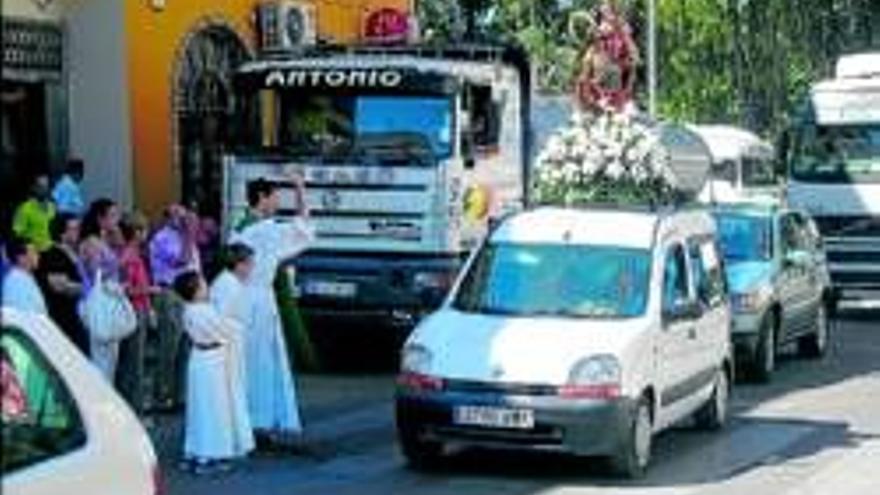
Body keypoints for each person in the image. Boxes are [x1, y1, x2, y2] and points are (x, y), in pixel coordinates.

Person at [231, 174, 314, 443]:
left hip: (241, 299)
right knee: (261, 362)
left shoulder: (240, 226)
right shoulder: (264, 229)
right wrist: (300, 188)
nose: (278, 202)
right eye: (275, 197)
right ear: (262, 198)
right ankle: (260, 422)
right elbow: (303, 229)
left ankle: (247, 420)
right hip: (259, 301)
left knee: (248, 361)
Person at [175, 270, 254, 474]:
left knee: (199, 408)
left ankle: (194, 452)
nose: (206, 287)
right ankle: (209, 456)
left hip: (199, 359)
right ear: (195, 290)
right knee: (213, 409)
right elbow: (225, 329)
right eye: (202, 284)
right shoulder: (204, 311)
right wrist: (238, 325)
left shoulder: (189, 309)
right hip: (211, 361)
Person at [149, 204, 200, 410]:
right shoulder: (163, 238)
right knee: (169, 349)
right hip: (170, 294)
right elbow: (183, 260)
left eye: (185, 215)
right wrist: (189, 233)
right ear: (168, 219)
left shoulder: (185, 237)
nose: (184, 219)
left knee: (185, 349)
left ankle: (180, 396)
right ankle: (161, 396)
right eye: (179, 216)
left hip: (189, 297)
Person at [116, 212, 158, 415]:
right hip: (134, 311)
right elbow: (126, 289)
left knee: (135, 361)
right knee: (134, 362)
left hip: (140, 309)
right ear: (136, 232)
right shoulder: (129, 257)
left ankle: (133, 405)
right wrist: (150, 290)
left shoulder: (132, 254)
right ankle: (135, 409)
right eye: (144, 229)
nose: (147, 233)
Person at [80, 199, 123, 380]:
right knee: (102, 360)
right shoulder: (92, 242)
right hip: (99, 302)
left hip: (110, 301)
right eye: (112, 215)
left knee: (111, 359)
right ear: (100, 218)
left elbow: (121, 244)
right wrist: (113, 273)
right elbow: (94, 273)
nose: (116, 219)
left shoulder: (105, 239)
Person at [36, 214, 90, 356]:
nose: (78, 232)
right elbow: (59, 285)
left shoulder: (72, 252)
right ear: (61, 233)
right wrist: (86, 289)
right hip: (64, 319)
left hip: (76, 316)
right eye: (74, 229)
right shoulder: (53, 255)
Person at [2, 237, 47, 315]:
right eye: (34, 252)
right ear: (21, 258)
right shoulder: (15, 282)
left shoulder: (25, 278)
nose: (38, 256)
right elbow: (26, 316)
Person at [12, 175, 56, 252]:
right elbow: (17, 234)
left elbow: (55, 231)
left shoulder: (52, 207)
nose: (43, 189)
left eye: (46, 186)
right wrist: (30, 245)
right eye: (40, 186)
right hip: (33, 251)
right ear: (34, 187)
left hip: (50, 249)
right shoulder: (25, 208)